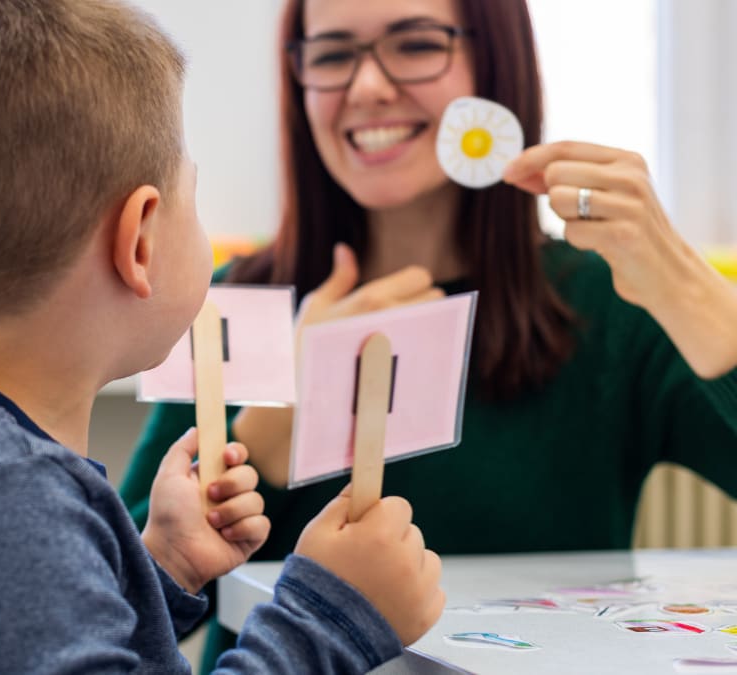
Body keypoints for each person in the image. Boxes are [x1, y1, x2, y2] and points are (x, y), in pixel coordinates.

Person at [119, 0, 737, 668]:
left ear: (496, 65)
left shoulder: (604, 304)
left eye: (415, 45)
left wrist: (685, 283)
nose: (367, 87)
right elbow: (115, 604)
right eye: (331, 55)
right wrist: (273, 426)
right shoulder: (231, 301)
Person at [0, 0, 445, 672]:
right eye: (193, 197)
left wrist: (162, 566)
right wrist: (330, 615)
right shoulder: (11, 498)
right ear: (141, 239)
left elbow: (28, 638)